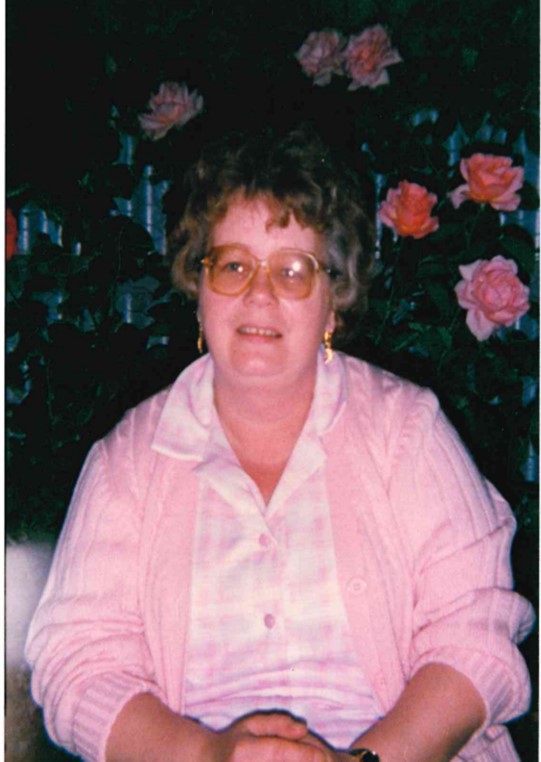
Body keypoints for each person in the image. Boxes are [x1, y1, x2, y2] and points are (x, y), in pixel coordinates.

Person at [26, 126, 534, 762]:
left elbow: (476, 635)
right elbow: (77, 666)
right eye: (233, 265)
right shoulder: (126, 463)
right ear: (200, 290)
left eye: (293, 271)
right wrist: (206, 756)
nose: (259, 293)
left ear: (333, 306)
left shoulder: (408, 431)